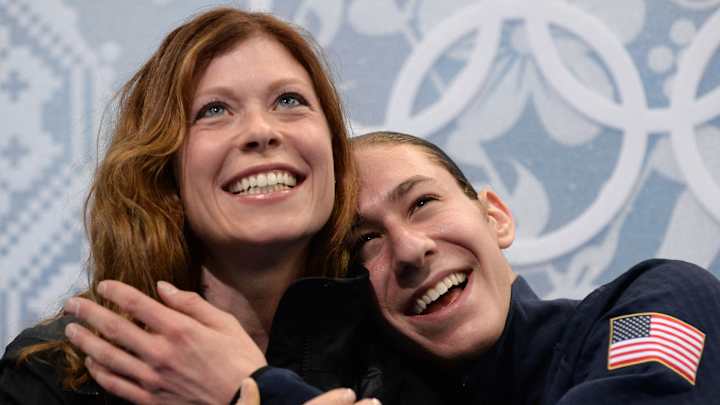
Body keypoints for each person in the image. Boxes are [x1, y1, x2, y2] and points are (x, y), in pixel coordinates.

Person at [52, 130, 720, 405]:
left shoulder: (655, 299)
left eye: (422, 202)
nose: (407, 249)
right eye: (364, 243)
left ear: (495, 215)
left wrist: (254, 392)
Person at [0, 7, 371, 405]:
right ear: (164, 170)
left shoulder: (401, 348)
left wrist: (254, 388)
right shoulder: (54, 377)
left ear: (334, 150)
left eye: (288, 100)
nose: (261, 131)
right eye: (214, 110)